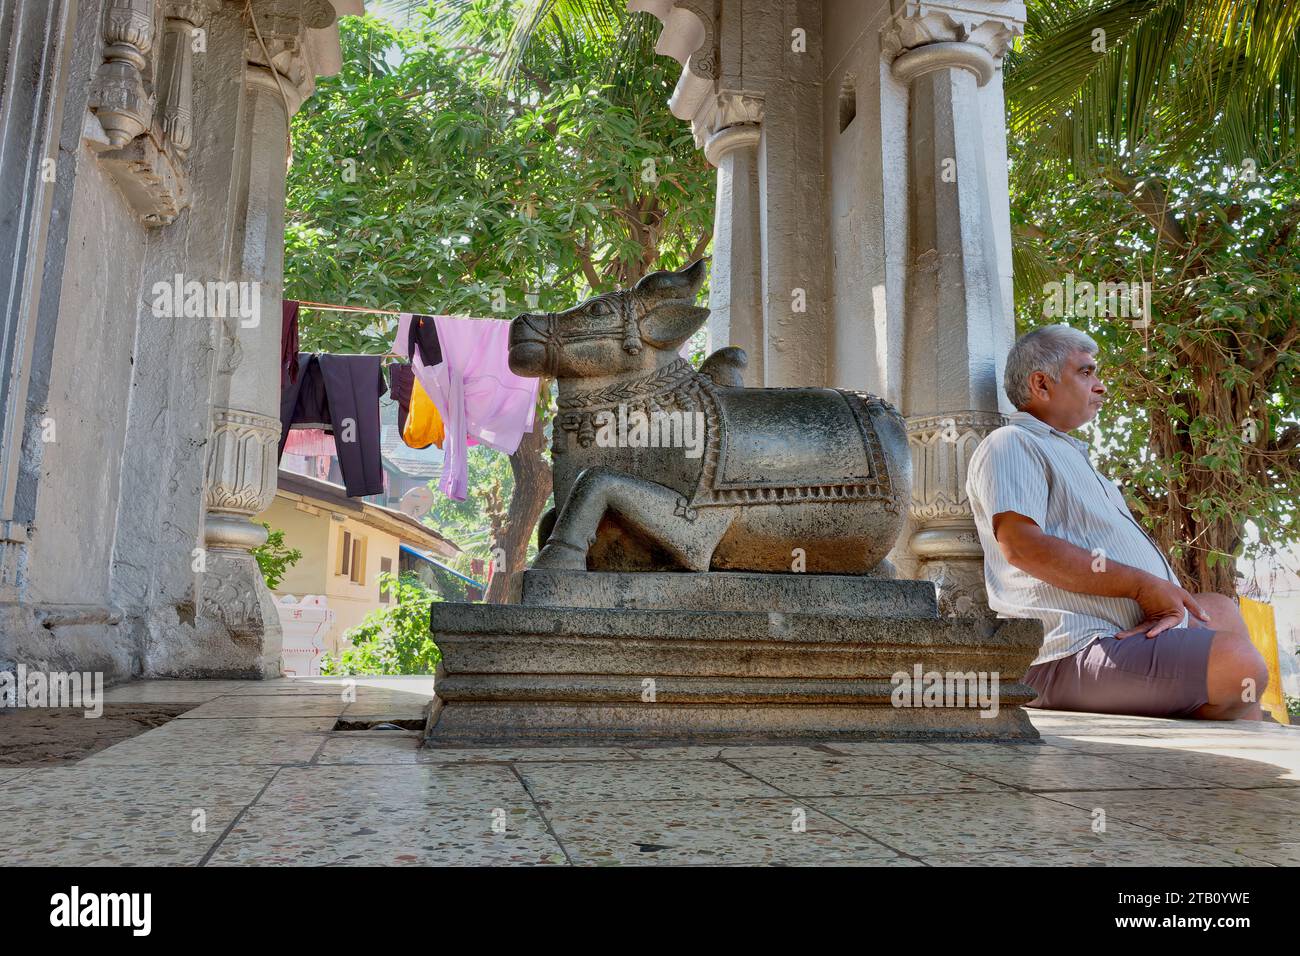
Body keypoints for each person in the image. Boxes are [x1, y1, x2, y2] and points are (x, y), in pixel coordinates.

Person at [965, 325, 1269, 719]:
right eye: (1086, 373)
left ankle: (1233, 722)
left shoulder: (1071, 455)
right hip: (1067, 650)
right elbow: (1023, 547)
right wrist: (1142, 587)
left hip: (1123, 634)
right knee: (1240, 665)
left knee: (1220, 609)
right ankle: (1210, 715)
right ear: (1041, 384)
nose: (1101, 386)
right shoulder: (1012, 444)